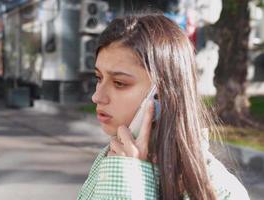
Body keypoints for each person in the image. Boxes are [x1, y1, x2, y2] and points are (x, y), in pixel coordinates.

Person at [77, 12, 250, 200]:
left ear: (161, 95)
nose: (97, 96)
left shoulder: (220, 190)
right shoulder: (114, 156)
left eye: (119, 83)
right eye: (99, 78)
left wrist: (126, 183)